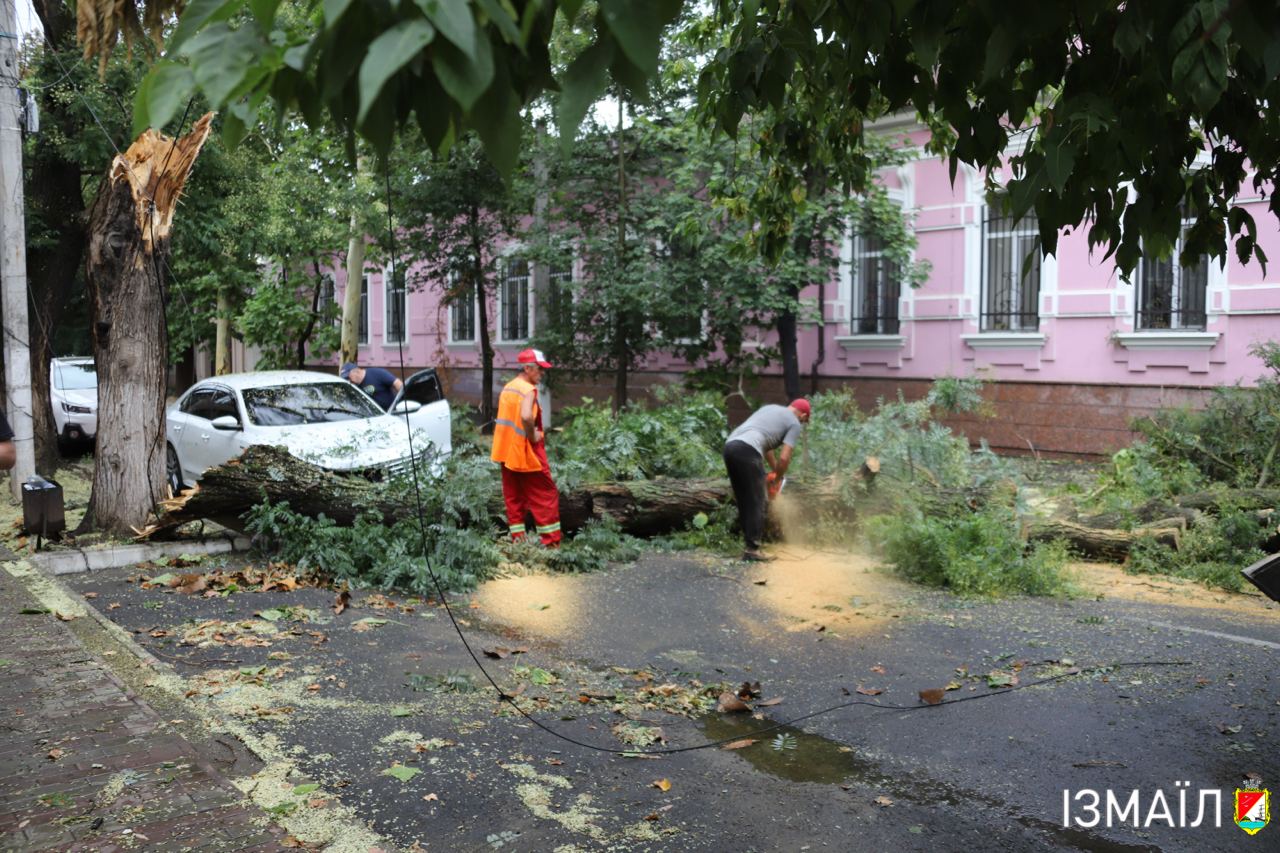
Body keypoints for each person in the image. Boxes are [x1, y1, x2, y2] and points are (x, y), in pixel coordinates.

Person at [722, 398, 811, 562]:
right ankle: (752, 550)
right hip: (748, 450)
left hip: (730, 447)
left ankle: (748, 546)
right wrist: (777, 479)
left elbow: (767, 448)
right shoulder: (794, 423)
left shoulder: (770, 407)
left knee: (744, 499)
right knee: (758, 500)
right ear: (803, 415)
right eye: (805, 421)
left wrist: (774, 470)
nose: (803, 423)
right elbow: (785, 458)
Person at [490, 348, 561, 546]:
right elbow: (526, 416)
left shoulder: (509, 387)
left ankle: (519, 543)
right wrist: (533, 435)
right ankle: (552, 544)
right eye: (540, 369)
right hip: (527, 452)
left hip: (506, 452)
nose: (542, 373)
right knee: (545, 495)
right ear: (528, 368)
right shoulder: (528, 390)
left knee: (514, 497)